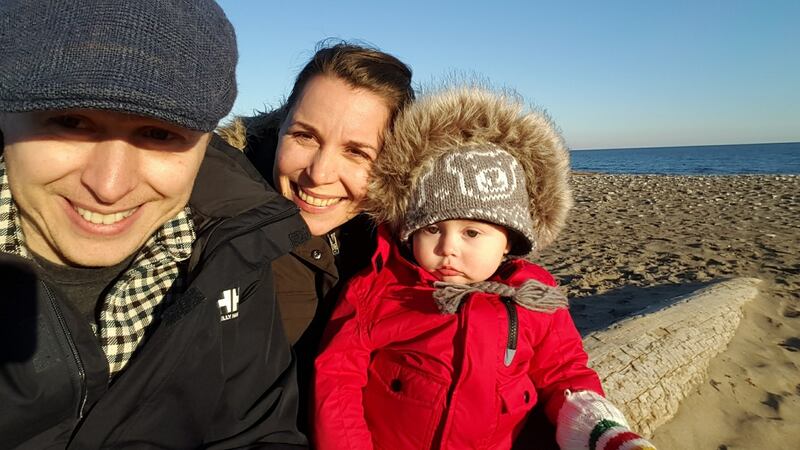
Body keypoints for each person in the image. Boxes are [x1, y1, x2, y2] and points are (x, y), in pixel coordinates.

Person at [0, 0, 308, 447]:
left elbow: (259, 431)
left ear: (205, 142)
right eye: (70, 120)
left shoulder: (232, 250)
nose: (109, 186)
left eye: (161, 133)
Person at [313, 86, 656, 449]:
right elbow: (337, 379)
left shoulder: (531, 296)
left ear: (509, 240)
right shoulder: (383, 289)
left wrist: (598, 427)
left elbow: (563, 371)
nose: (448, 248)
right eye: (431, 229)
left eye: (472, 232)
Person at [217, 42, 414, 431]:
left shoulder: (405, 247)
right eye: (305, 136)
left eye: (357, 152)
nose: (320, 173)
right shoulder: (215, 224)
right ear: (279, 125)